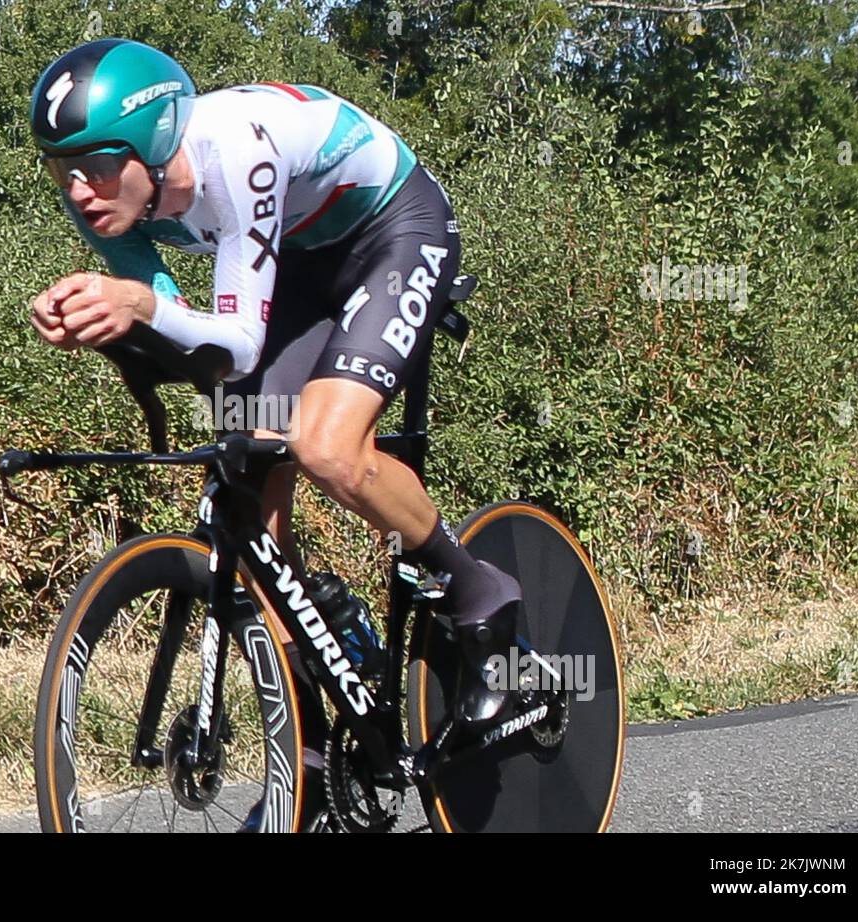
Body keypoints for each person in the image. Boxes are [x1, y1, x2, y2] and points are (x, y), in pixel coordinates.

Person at [28, 38, 523, 823]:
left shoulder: (237, 153)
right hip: (298, 264)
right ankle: (315, 742)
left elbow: (236, 341)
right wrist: (103, 319)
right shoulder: (105, 199)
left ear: (155, 142)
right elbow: (188, 337)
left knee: (325, 444)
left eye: (97, 165)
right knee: (241, 480)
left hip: (395, 232)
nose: (81, 190)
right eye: (63, 168)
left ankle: (478, 590)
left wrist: (138, 306)